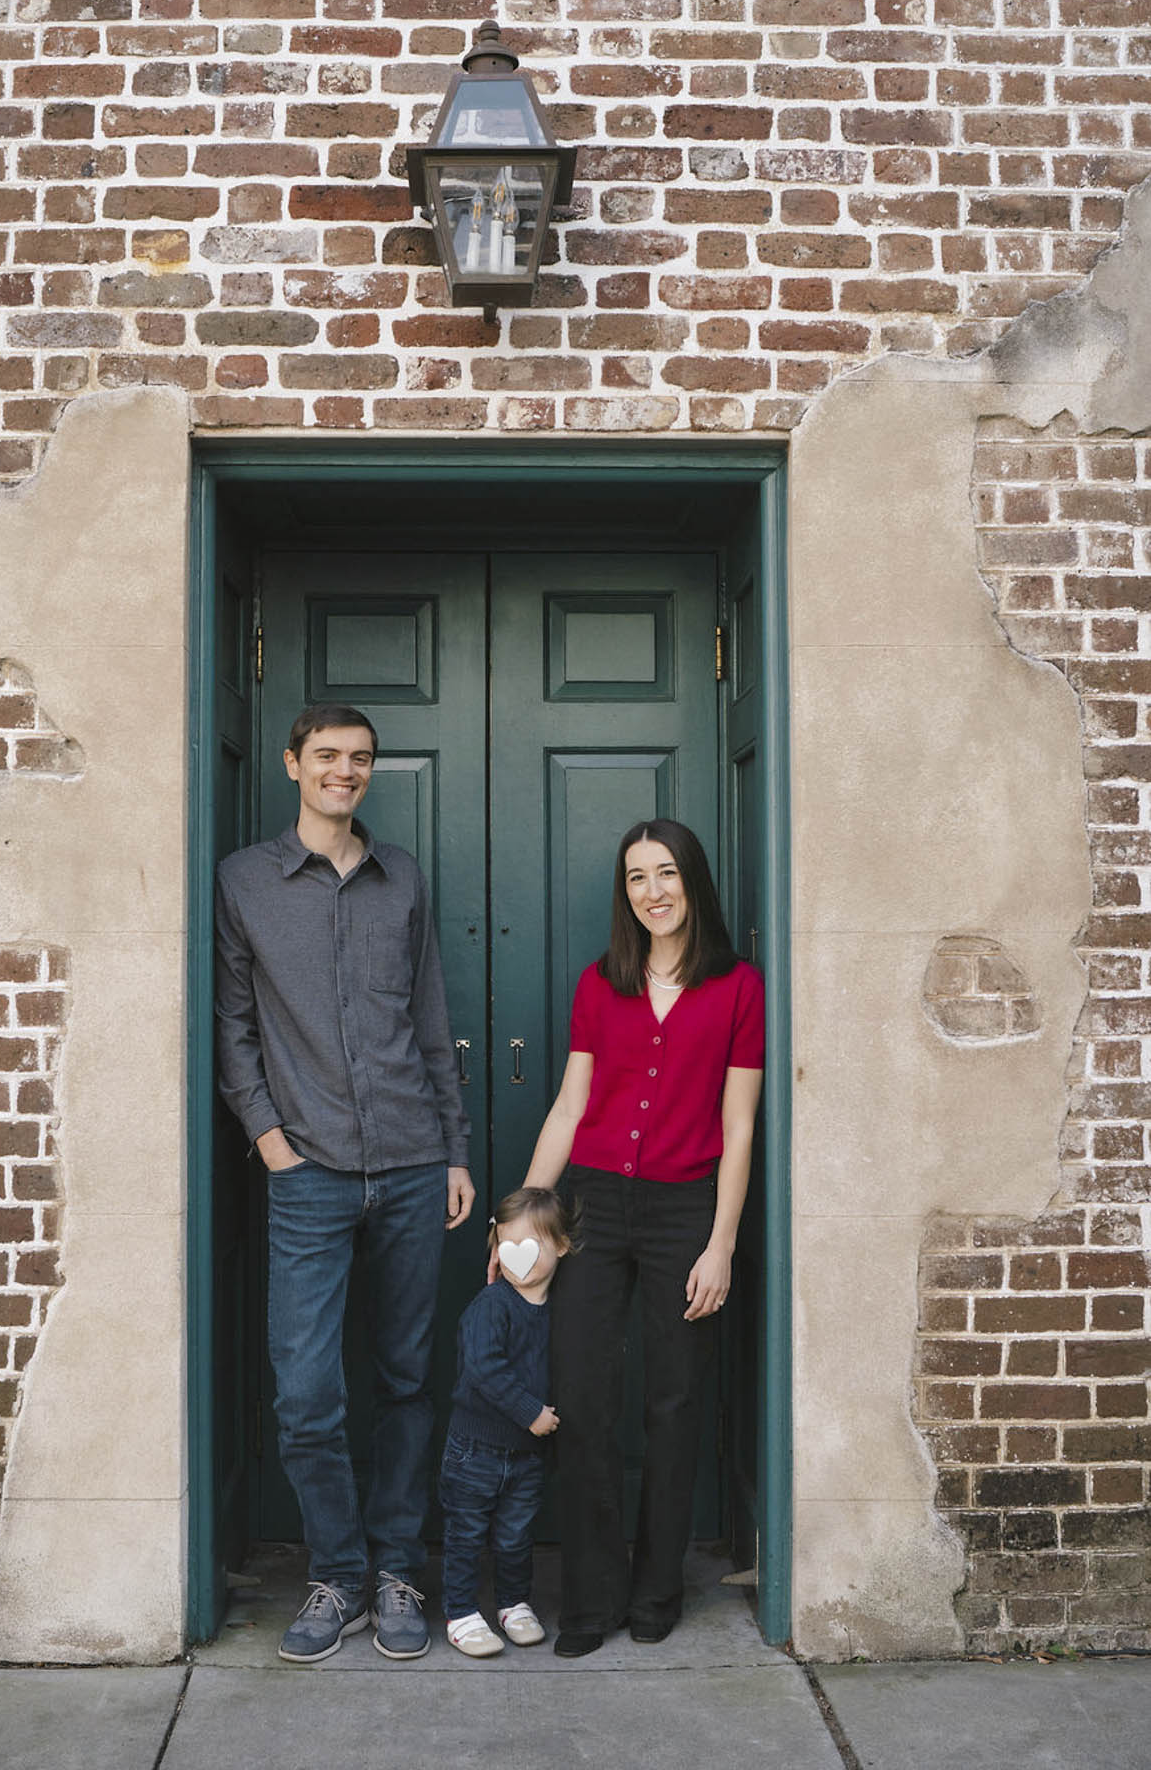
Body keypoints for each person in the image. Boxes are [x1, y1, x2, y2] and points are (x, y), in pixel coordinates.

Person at [214, 702, 475, 1665]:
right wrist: (269, 1139)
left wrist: (454, 1150)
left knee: (408, 1380)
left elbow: (431, 1012)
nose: (345, 772)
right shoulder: (244, 881)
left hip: (411, 1163)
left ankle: (399, 1567)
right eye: (327, 756)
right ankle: (337, 1573)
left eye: (360, 759)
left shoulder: (399, 875)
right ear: (291, 764)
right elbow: (234, 1025)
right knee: (307, 1391)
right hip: (309, 1174)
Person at [517, 817, 764, 1658]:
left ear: (692, 882)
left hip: (684, 1213)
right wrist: (527, 1212)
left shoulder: (739, 989)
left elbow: (739, 1127)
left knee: (673, 1401)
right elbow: (569, 1106)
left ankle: (657, 1590)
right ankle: (589, 1600)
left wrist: (721, 1243)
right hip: (593, 1208)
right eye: (636, 878)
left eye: (666, 874)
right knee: (582, 1401)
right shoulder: (600, 984)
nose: (652, 892)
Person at [439, 1186, 572, 1658]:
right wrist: (529, 1412)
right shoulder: (493, 1306)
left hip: (527, 1454)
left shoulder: (562, 1310)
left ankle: (513, 1603)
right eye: (508, 1244)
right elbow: (484, 1368)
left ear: (560, 1245)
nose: (520, 1258)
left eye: (532, 1245)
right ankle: (460, 1611)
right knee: (466, 1533)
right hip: (475, 1447)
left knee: (517, 1534)